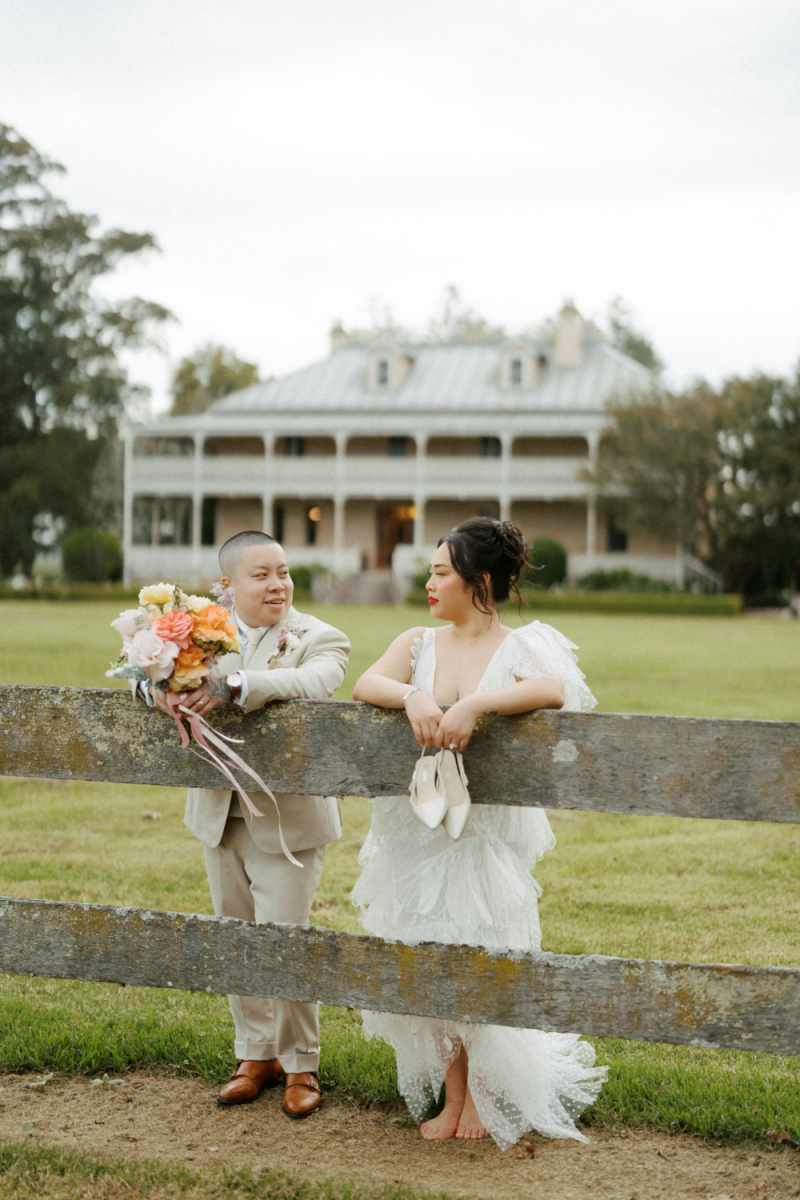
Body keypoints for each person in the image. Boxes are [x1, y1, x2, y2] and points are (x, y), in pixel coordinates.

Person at [350, 517, 606, 1150]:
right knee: (431, 949)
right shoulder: (418, 641)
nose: (430, 582)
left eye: (441, 572)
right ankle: (454, 1089)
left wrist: (475, 705)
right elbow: (363, 683)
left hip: (484, 834)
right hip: (421, 830)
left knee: (480, 949)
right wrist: (414, 696)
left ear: (479, 580)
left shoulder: (522, 646)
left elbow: (553, 690)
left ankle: (482, 1094)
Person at [149, 530, 350, 1118]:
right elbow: (147, 671)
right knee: (235, 938)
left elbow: (314, 682)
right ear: (228, 585)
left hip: (288, 821)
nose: (277, 584)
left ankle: (301, 1063)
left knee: (285, 941)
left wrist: (234, 684)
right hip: (217, 814)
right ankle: (254, 1055)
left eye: (283, 572)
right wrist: (156, 687)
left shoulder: (319, 637)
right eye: (261, 574)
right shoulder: (195, 634)